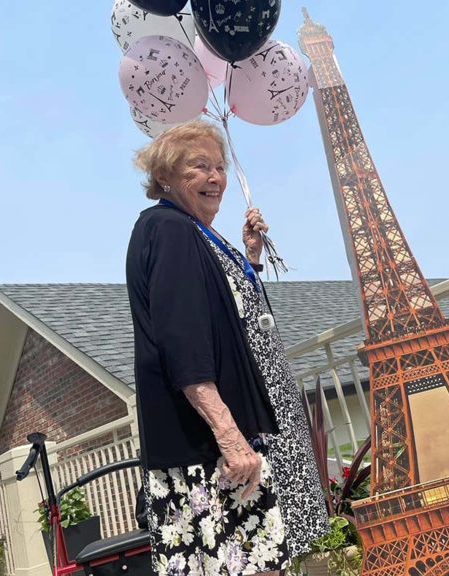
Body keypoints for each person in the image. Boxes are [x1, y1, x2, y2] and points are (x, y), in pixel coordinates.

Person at [126, 120, 329, 576]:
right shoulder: (169, 228)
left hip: (230, 438)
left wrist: (250, 257)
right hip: (212, 447)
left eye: (219, 166)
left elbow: (236, 318)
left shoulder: (193, 233)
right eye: (199, 166)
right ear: (165, 177)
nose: (216, 177)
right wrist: (231, 437)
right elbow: (183, 340)